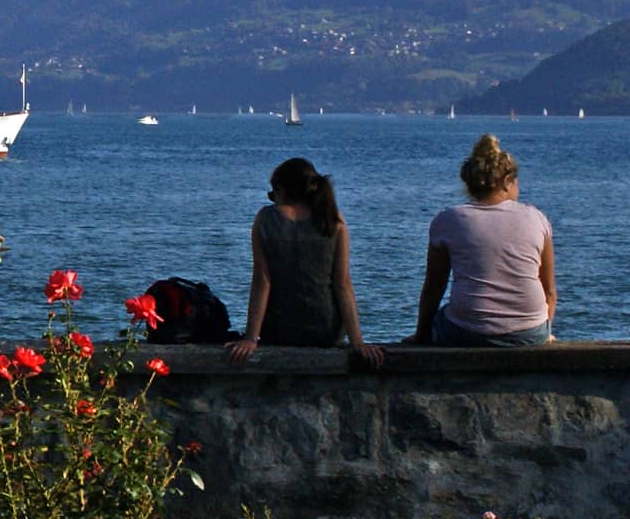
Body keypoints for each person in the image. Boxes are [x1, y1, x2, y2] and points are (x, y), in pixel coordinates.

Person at [228, 157, 384, 368]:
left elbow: (262, 281)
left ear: (281, 190)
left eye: (273, 193)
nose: (272, 198)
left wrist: (250, 338)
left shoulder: (265, 218)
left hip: (278, 331)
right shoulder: (333, 220)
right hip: (326, 331)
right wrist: (357, 342)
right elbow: (342, 284)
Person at [413, 133, 556, 347]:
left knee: (444, 315)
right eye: (516, 182)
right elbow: (549, 292)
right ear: (507, 182)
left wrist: (421, 335)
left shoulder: (448, 220)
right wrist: (543, 332)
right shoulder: (537, 218)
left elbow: (434, 288)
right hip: (530, 332)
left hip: (466, 332)